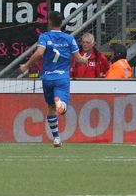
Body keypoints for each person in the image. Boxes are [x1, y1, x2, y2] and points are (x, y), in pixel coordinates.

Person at [18, 10, 88, 147]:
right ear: (61, 23)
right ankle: (61, 105)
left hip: (47, 78)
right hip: (62, 78)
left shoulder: (45, 37)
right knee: (62, 106)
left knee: (50, 107)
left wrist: (26, 65)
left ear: (49, 22)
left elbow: (39, 53)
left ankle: (56, 138)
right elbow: (78, 59)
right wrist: (84, 60)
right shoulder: (69, 38)